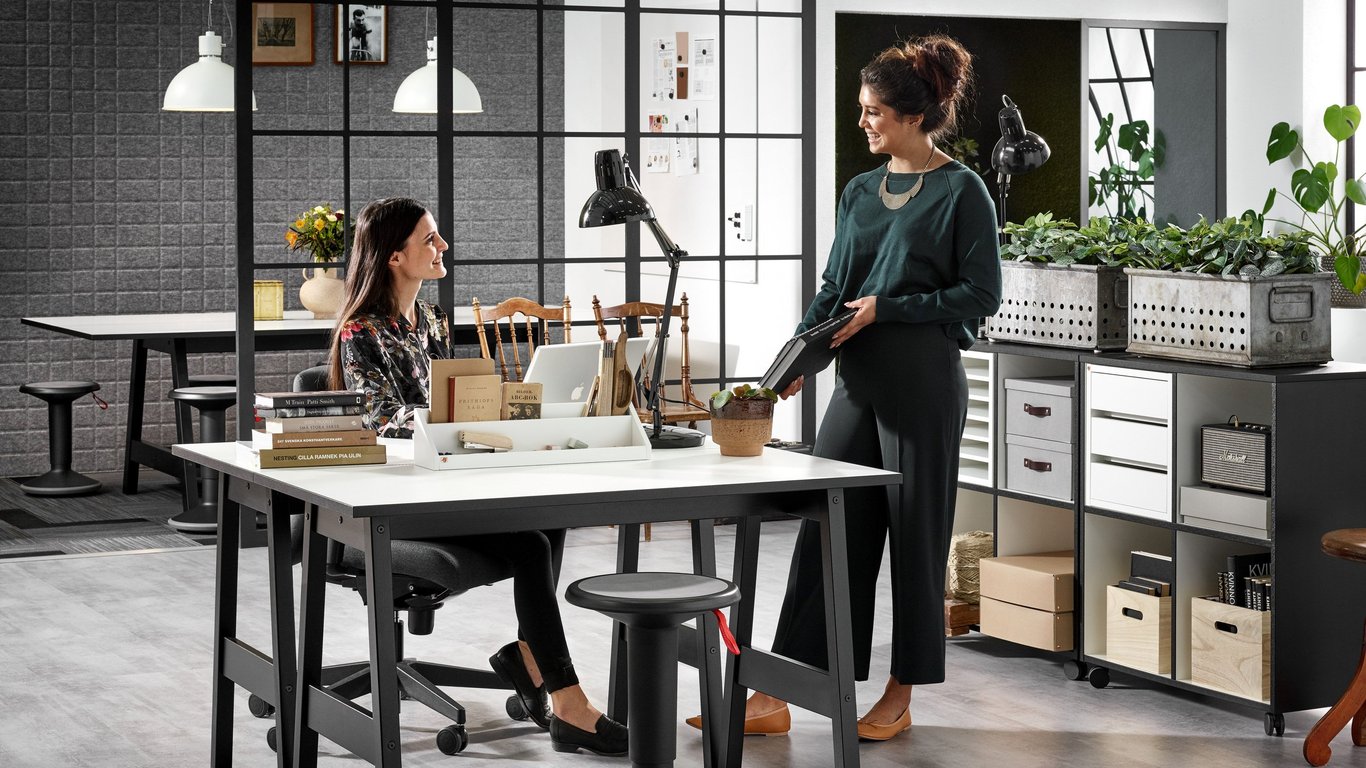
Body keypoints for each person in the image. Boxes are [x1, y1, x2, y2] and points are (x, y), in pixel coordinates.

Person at [690, 34, 1001, 741]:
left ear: (914, 117)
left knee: (917, 546)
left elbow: (980, 295)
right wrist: (788, 368)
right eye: (863, 110)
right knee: (825, 540)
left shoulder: (962, 193)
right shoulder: (861, 190)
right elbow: (834, 290)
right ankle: (777, 692)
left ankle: (902, 689)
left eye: (875, 112)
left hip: (923, 389)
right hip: (856, 389)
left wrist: (889, 308)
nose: (864, 121)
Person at [327, 196, 628, 756]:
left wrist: (491, 411)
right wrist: (446, 419)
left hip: (447, 480)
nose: (442, 247)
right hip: (392, 504)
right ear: (395, 256)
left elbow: (455, 397)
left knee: (549, 516)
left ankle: (530, 658)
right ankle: (568, 703)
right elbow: (378, 421)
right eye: (429, 240)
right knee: (531, 547)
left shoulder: (433, 321)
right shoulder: (360, 334)